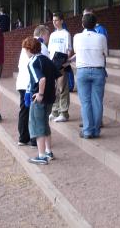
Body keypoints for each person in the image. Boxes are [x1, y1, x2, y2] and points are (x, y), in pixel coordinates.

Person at [22, 37, 60, 165]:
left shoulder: (33, 62)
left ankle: (42, 155)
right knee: (45, 124)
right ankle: (49, 152)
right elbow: (58, 75)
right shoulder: (47, 59)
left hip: (40, 98)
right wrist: (56, 90)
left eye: (25, 49)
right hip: (50, 98)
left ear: (28, 49)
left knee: (37, 125)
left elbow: (41, 79)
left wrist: (40, 94)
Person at [73, 13, 108, 139]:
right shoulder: (101, 37)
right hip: (98, 70)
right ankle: (96, 130)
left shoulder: (77, 37)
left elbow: (76, 51)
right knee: (97, 101)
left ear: (83, 24)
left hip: (82, 70)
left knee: (85, 102)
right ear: (96, 24)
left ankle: (87, 130)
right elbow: (105, 53)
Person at [16, 25, 50, 148]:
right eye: (47, 35)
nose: (48, 38)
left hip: (22, 83)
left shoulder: (26, 46)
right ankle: (35, 139)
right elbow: (46, 65)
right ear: (42, 34)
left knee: (24, 110)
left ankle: (23, 137)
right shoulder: (41, 46)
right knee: (35, 113)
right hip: (33, 84)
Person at [48, 11, 72, 122]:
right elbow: (49, 51)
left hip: (62, 64)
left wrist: (64, 62)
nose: (54, 22)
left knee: (62, 88)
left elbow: (69, 50)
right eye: (53, 20)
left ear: (61, 21)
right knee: (54, 89)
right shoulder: (52, 35)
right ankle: (55, 111)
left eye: (56, 20)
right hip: (52, 64)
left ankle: (64, 112)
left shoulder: (66, 34)